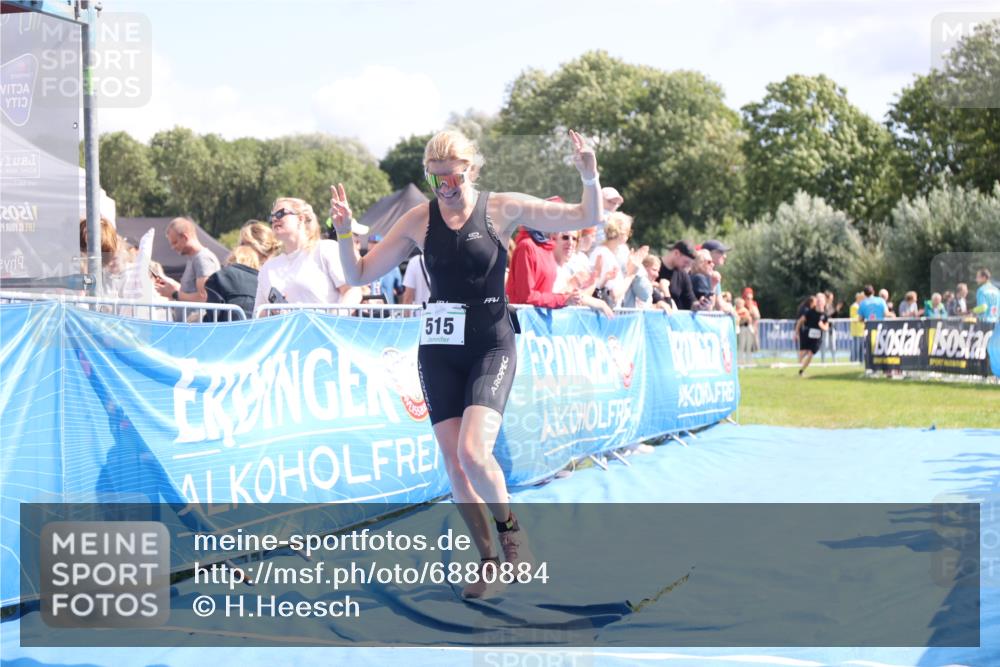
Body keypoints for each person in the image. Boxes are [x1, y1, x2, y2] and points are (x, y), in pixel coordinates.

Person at [329, 129, 603, 599]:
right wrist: (341, 231)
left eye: (452, 178)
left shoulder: (501, 207)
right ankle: (488, 560)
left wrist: (588, 174)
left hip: (491, 344)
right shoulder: (420, 219)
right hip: (439, 351)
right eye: (435, 180)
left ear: (471, 169)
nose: (444, 189)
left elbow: (586, 215)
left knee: (475, 453)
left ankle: (513, 535)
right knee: (455, 468)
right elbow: (357, 273)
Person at [253, 198, 363, 315]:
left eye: (280, 213)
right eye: (272, 216)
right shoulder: (268, 267)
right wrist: (273, 311)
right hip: (288, 333)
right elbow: (258, 314)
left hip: (323, 331)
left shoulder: (325, 249)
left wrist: (331, 322)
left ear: (301, 218)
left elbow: (353, 291)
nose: (274, 218)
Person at [154, 217, 221, 320]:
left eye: (175, 242)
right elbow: (192, 291)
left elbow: (204, 296)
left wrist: (174, 294)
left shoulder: (203, 259)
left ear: (185, 237)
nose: (173, 247)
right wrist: (172, 286)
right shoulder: (194, 259)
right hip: (191, 327)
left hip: (197, 329)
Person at [204, 245, 261, 321]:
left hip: (227, 329)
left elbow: (213, 315)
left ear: (232, 257)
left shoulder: (220, 276)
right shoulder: (261, 279)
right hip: (256, 330)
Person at [658, 241, 702, 310]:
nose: (687, 266)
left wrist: (700, 305)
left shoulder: (683, 275)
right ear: (676, 253)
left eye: (690, 264)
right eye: (686, 262)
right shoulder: (654, 267)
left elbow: (690, 300)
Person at [794, 293, 829, 376]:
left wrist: (822, 326)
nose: (819, 303)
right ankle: (798, 367)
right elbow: (800, 321)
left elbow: (826, 327)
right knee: (803, 353)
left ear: (824, 303)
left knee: (811, 353)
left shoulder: (825, 315)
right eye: (818, 301)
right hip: (807, 335)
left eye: (821, 301)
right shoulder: (810, 312)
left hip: (817, 337)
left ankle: (801, 371)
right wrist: (796, 331)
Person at [849, 292, 865, 363]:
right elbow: (854, 318)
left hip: (862, 331)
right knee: (855, 348)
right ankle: (853, 361)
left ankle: (861, 361)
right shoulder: (854, 306)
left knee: (861, 348)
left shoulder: (861, 306)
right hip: (856, 331)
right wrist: (862, 317)